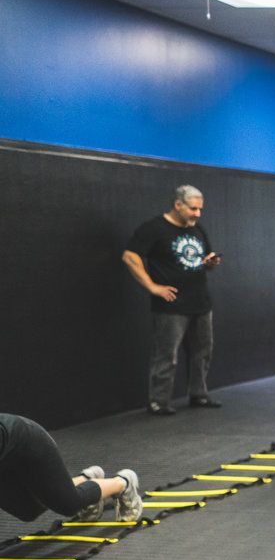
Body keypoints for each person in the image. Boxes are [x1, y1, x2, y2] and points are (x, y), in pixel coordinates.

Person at [122, 185, 223, 416]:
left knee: (202, 352)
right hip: (172, 304)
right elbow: (129, 256)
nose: (198, 214)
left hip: (201, 302)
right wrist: (152, 286)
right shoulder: (155, 228)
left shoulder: (197, 229)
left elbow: (203, 260)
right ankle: (158, 401)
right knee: (166, 354)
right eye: (193, 208)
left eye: (200, 209)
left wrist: (210, 263)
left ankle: (199, 394)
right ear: (178, 205)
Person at [0, 414, 141, 524]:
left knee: (70, 505)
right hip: (7, 454)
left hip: (29, 444)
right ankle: (86, 480)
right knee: (28, 510)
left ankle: (123, 483)